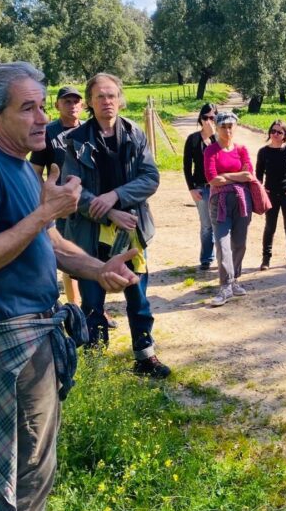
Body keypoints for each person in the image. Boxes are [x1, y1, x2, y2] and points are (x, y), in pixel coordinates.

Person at [0, 62, 139, 511]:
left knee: (31, 469)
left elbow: (48, 243)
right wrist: (47, 211)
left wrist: (98, 268)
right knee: (24, 474)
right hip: (12, 344)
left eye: (42, 104)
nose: (43, 116)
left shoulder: (21, 168)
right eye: (27, 107)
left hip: (34, 337)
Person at [62, 72, 171, 378]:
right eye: (100, 96)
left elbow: (150, 178)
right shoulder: (76, 142)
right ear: (90, 103)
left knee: (138, 297)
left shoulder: (135, 135)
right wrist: (108, 211)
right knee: (92, 300)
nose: (107, 102)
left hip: (131, 230)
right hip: (91, 231)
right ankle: (96, 364)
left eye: (112, 96)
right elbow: (71, 189)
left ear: (120, 99)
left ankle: (145, 357)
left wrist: (116, 196)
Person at [30, 86, 84, 306]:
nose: (72, 106)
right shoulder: (48, 133)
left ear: (83, 105)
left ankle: (95, 307)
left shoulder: (89, 130)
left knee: (91, 253)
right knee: (68, 255)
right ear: (57, 105)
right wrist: (49, 198)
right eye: (67, 102)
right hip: (61, 206)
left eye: (76, 101)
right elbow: (34, 172)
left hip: (89, 203)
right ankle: (75, 308)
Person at [204, 111, 253, 306]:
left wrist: (227, 176)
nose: (227, 130)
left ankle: (235, 280)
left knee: (239, 243)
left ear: (235, 127)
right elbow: (212, 179)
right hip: (220, 202)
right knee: (223, 245)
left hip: (242, 201)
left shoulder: (241, 149)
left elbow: (249, 175)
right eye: (223, 126)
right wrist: (236, 175)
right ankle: (225, 286)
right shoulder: (211, 151)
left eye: (230, 126)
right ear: (216, 128)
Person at [256, 119, 286, 271]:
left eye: (279, 132)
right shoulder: (263, 152)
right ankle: (266, 259)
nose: (275, 134)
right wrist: (262, 189)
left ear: (285, 135)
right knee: (270, 226)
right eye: (273, 131)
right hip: (271, 195)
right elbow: (258, 174)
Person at [183, 103, 217, 270]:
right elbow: (187, 166)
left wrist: (212, 138)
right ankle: (206, 258)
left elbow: (222, 158)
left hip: (218, 187)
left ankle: (224, 256)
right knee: (206, 225)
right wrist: (191, 188)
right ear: (200, 119)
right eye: (205, 117)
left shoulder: (220, 138)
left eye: (212, 117)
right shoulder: (193, 139)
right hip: (201, 187)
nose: (208, 121)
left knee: (221, 222)